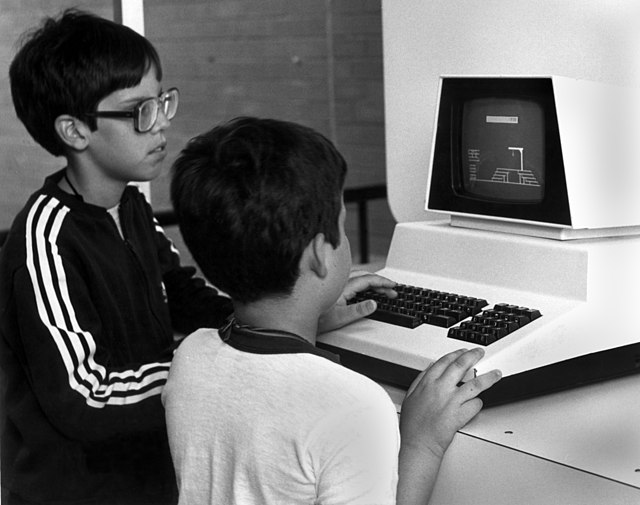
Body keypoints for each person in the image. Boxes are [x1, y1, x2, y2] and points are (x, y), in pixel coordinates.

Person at [0, 11, 398, 504]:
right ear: (75, 131)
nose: (163, 122)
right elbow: (87, 394)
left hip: (152, 477)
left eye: (162, 100)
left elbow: (188, 297)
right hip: (80, 491)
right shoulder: (45, 238)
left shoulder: (130, 206)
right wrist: (215, 371)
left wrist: (293, 313)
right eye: (139, 111)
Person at [164, 116, 502, 504]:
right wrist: (420, 444)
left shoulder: (190, 355)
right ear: (319, 255)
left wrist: (309, 312)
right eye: (340, 227)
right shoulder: (355, 406)